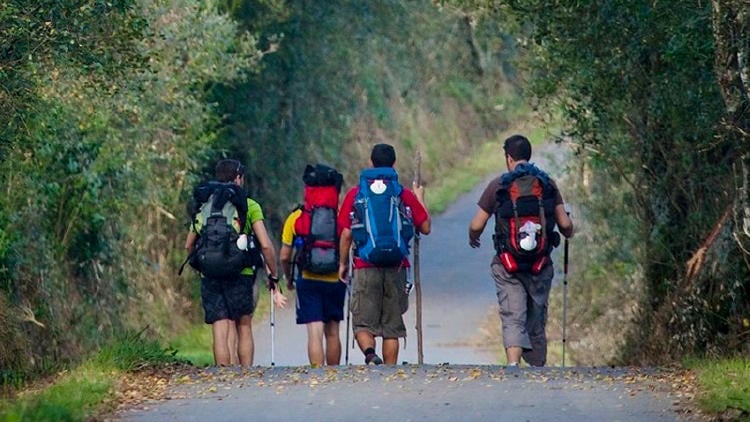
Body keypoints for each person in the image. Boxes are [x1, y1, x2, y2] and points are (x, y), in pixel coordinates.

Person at [468, 135, 573, 367]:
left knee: (513, 316)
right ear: (529, 155)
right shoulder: (547, 184)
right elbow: (565, 225)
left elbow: (477, 225)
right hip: (540, 264)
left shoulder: (498, 185)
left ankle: (513, 367)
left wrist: (473, 238)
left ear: (508, 158)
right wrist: (569, 230)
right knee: (536, 319)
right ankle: (536, 369)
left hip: (508, 264)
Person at [185, 159, 287, 367]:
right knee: (243, 324)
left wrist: (200, 266)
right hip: (242, 273)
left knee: (220, 327)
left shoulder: (206, 205)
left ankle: (224, 376)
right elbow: (266, 245)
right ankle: (246, 377)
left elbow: (189, 245)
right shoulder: (249, 205)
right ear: (238, 178)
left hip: (210, 274)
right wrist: (273, 274)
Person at [338, 144, 431, 365]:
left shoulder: (356, 194)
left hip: (364, 265)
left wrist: (342, 264)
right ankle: (390, 372)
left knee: (362, 324)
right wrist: (419, 198)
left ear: (370, 163)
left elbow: (346, 233)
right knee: (392, 327)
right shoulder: (403, 193)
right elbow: (425, 227)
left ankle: (371, 356)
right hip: (397, 267)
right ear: (394, 165)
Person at [279, 164, 347, 367]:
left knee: (314, 330)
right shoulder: (339, 217)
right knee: (333, 330)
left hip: (307, 278)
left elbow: (284, 255)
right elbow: (348, 241)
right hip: (336, 278)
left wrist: (289, 278)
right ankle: (334, 373)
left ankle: (318, 374)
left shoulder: (296, 218)